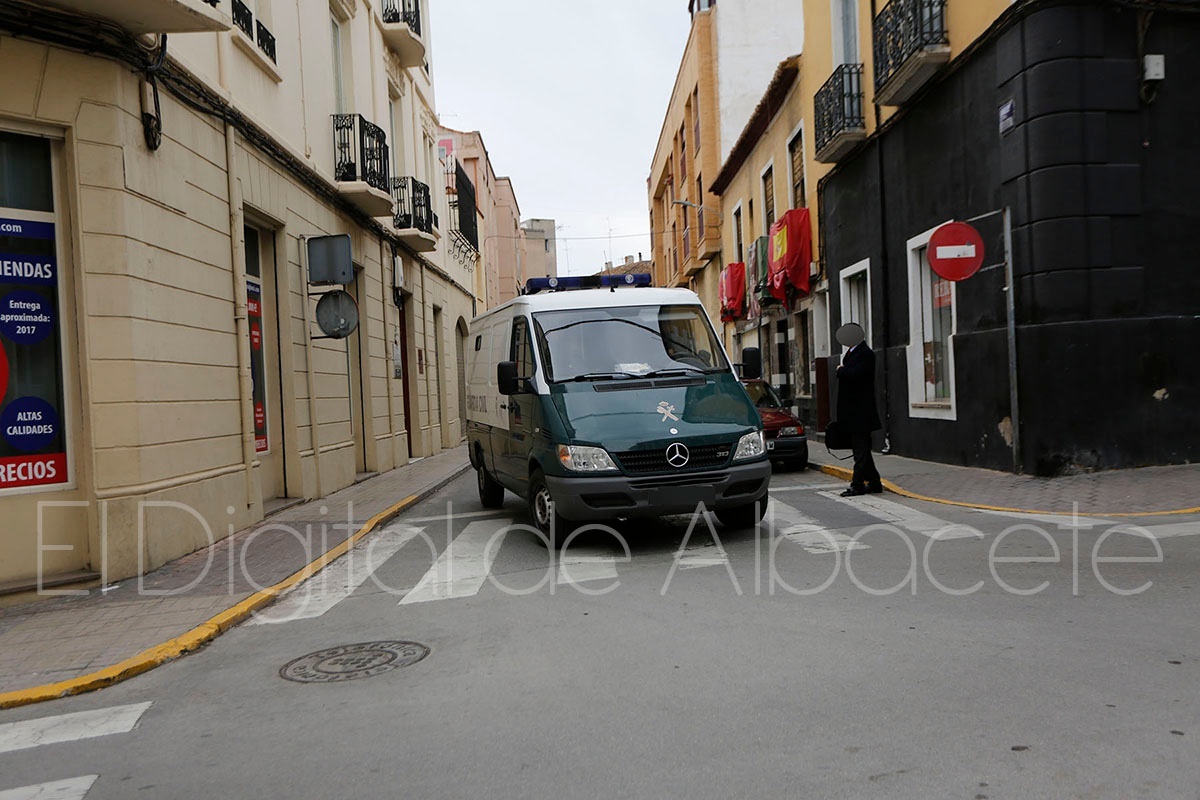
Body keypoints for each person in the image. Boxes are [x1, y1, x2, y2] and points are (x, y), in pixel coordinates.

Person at [835, 323, 882, 497]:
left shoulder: (865, 354)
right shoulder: (853, 352)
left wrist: (841, 370)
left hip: (861, 413)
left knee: (860, 452)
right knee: (862, 451)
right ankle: (875, 483)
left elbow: (857, 375)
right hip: (854, 412)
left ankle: (857, 485)